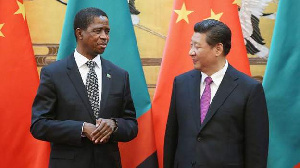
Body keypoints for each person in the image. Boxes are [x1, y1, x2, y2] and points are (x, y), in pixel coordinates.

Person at [30, 7, 138, 168]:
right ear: (79, 33)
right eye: (98, 31)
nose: (105, 37)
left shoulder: (119, 75)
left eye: (107, 31)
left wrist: (114, 125)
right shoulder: (54, 74)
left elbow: (131, 125)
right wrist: (80, 128)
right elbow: (39, 125)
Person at [164, 19, 269, 168]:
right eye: (191, 45)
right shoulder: (182, 83)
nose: (191, 52)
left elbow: (256, 150)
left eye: (197, 46)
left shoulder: (249, 89)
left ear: (218, 49)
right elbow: (171, 137)